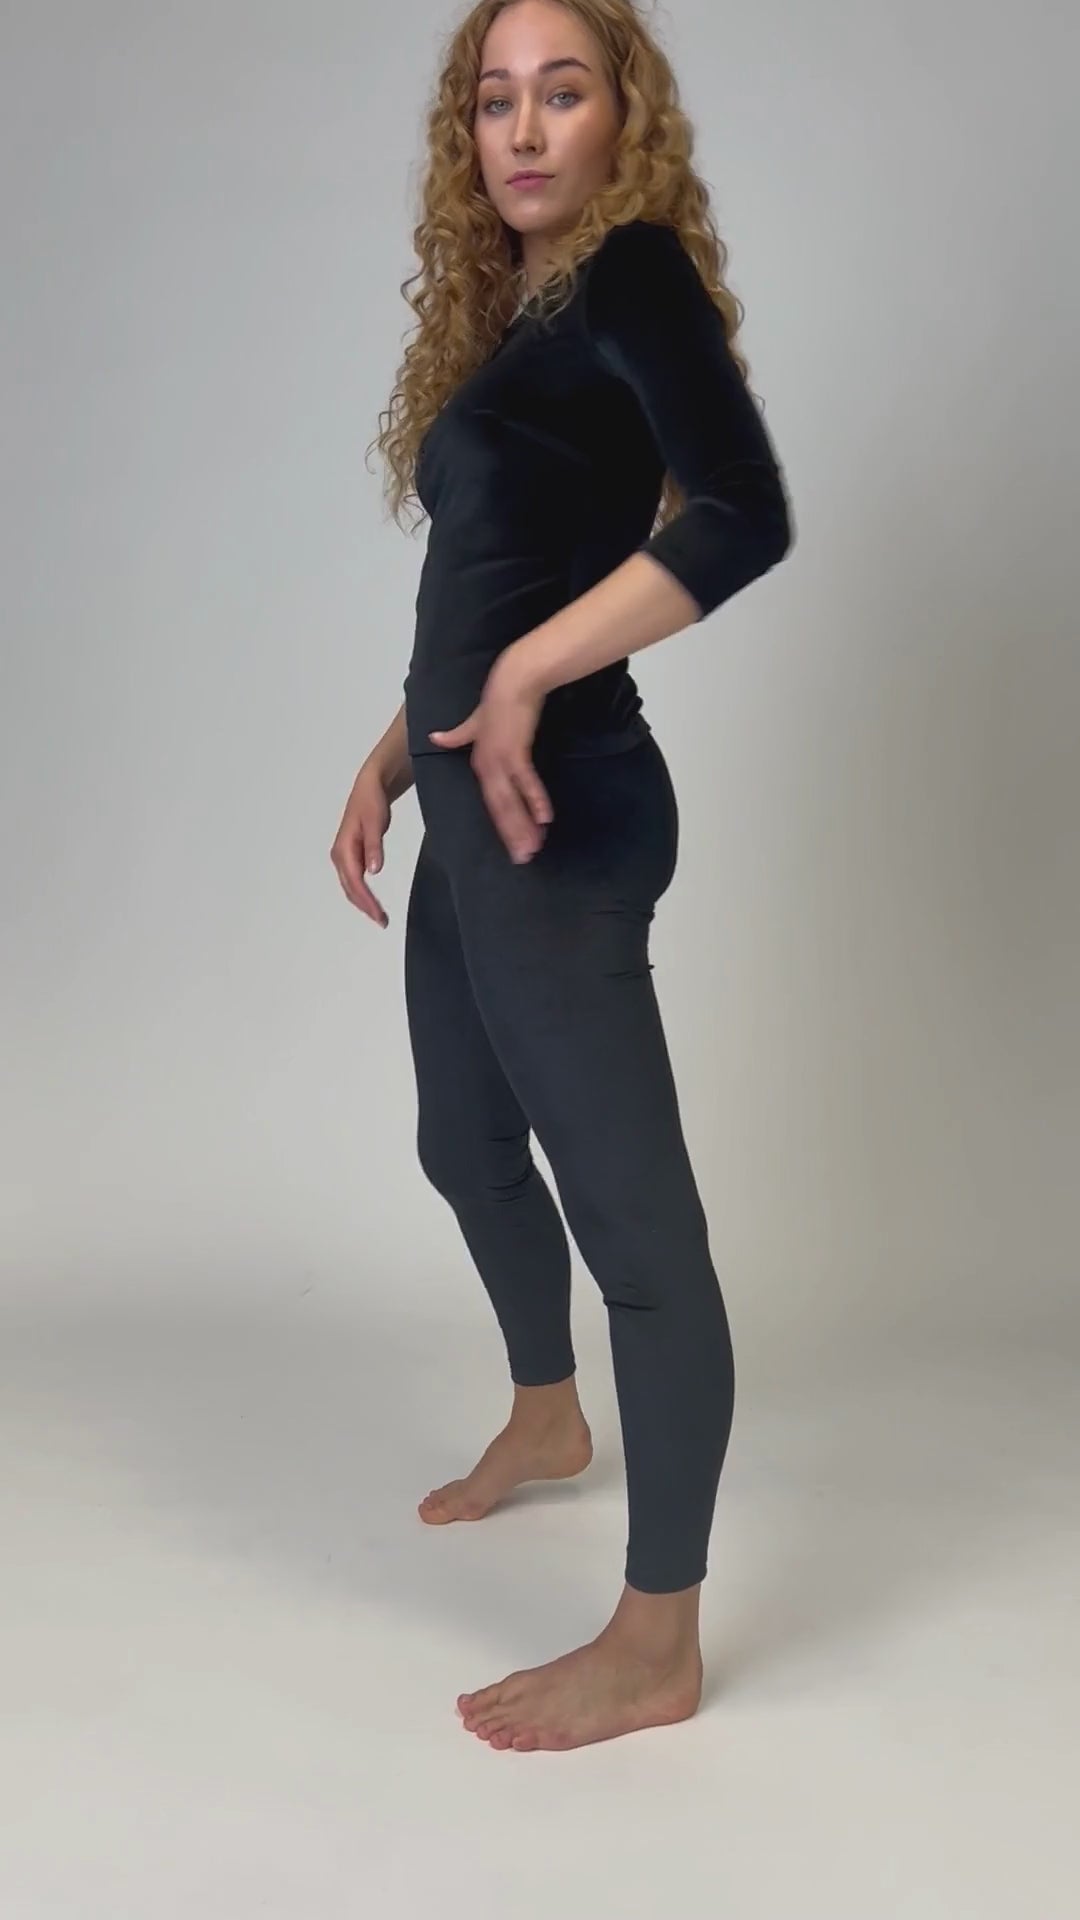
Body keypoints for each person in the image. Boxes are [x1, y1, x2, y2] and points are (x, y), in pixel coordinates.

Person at [330, 0, 793, 1752]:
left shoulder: (633, 279)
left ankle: (659, 1638)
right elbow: (499, 581)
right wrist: (395, 749)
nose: (522, 130)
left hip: (561, 809)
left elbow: (739, 513)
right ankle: (549, 1414)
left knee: (644, 1248)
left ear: (623, 118)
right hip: (469, 799)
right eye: (493, 100)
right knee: (461, 1144)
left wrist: (525, 679)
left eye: (564, 91)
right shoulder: (517, 319)